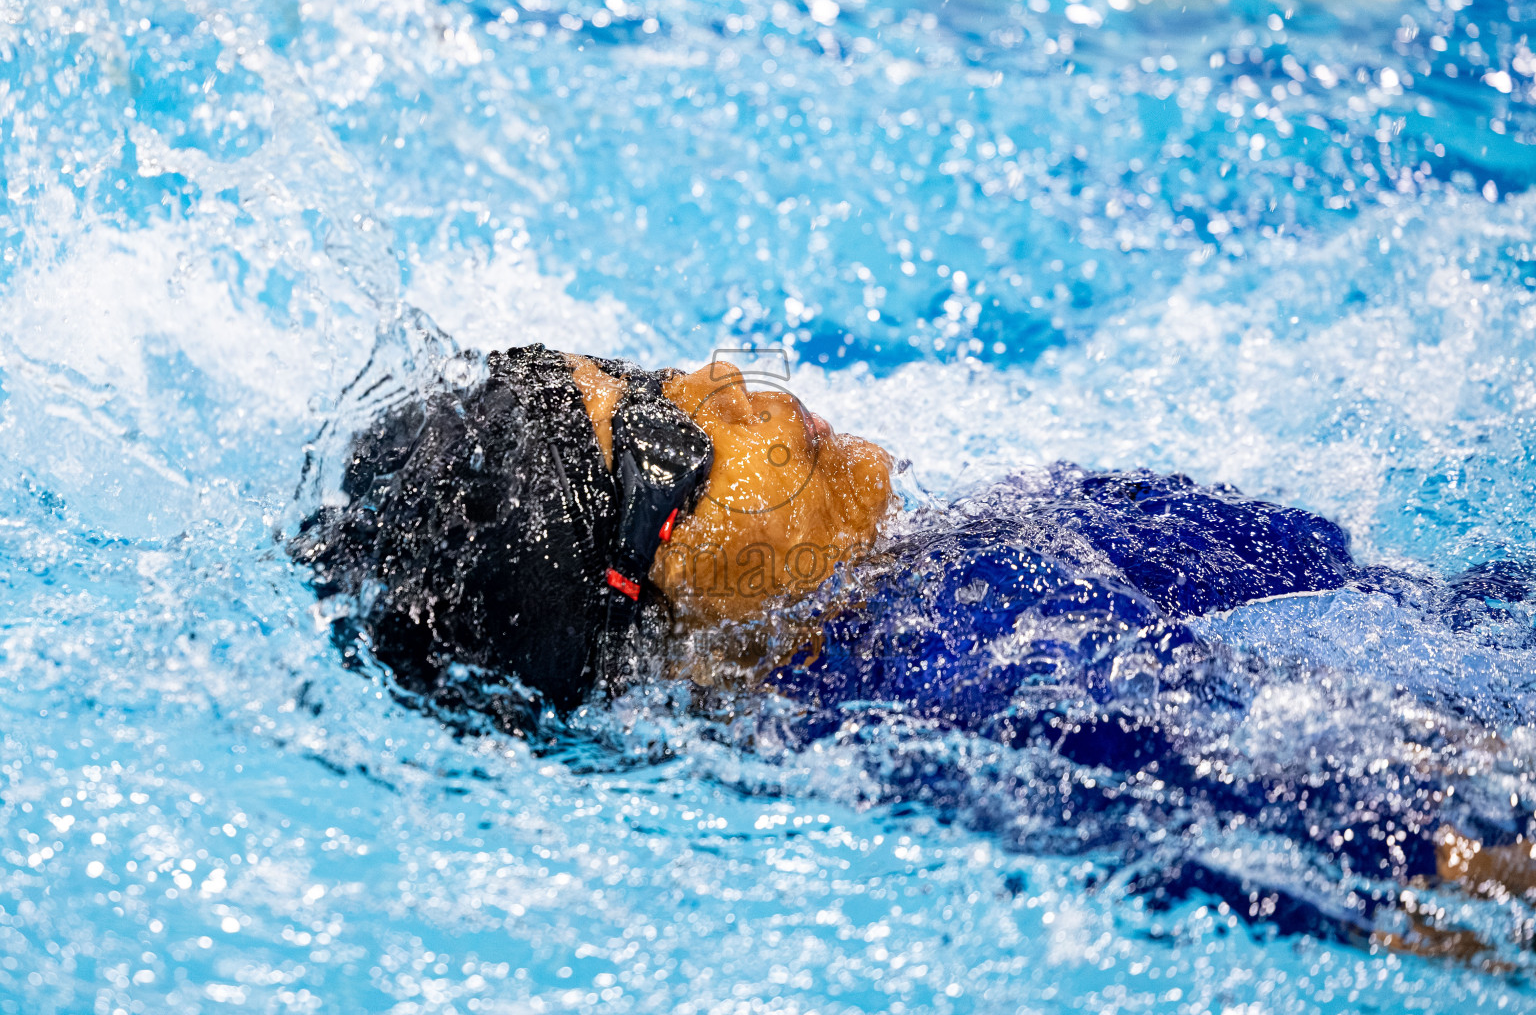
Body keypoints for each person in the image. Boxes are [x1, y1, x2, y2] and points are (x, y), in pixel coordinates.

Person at [293, 342, 1536, 957]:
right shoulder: (957, 701)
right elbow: (1431, 857)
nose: (726, 383)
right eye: (671, 441)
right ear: (653, 626)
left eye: (655, 369)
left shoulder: (985, 535)